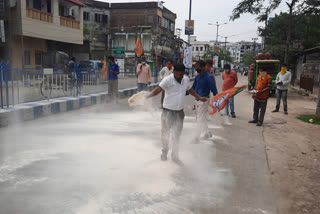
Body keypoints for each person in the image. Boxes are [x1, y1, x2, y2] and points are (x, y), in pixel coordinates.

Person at [147, 63, 207, 163]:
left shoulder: (186, 79)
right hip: (168, 112)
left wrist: (199, 97)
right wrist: (147, 96)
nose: (179, 75)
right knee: (165, 133)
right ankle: (164, 152)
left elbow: (190, 89)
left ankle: (175, 155)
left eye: (181, 73)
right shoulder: (167, 80)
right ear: (174, 71)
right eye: (177, 73)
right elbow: (158, 89)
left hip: (179, 113)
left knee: (177, 134)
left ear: (184, 72)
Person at [191, 60, 218, 140]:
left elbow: (214, 89)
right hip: (197, 99)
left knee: (200, 118)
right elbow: (193, 88)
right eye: (196, 68)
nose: (196, 69)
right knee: (200, 118)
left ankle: (196, 137)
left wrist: (217, 100)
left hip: (204, 100)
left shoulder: (209, 77)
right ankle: (207, 133)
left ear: (203, 67)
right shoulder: (198, 77)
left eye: (198, 67)